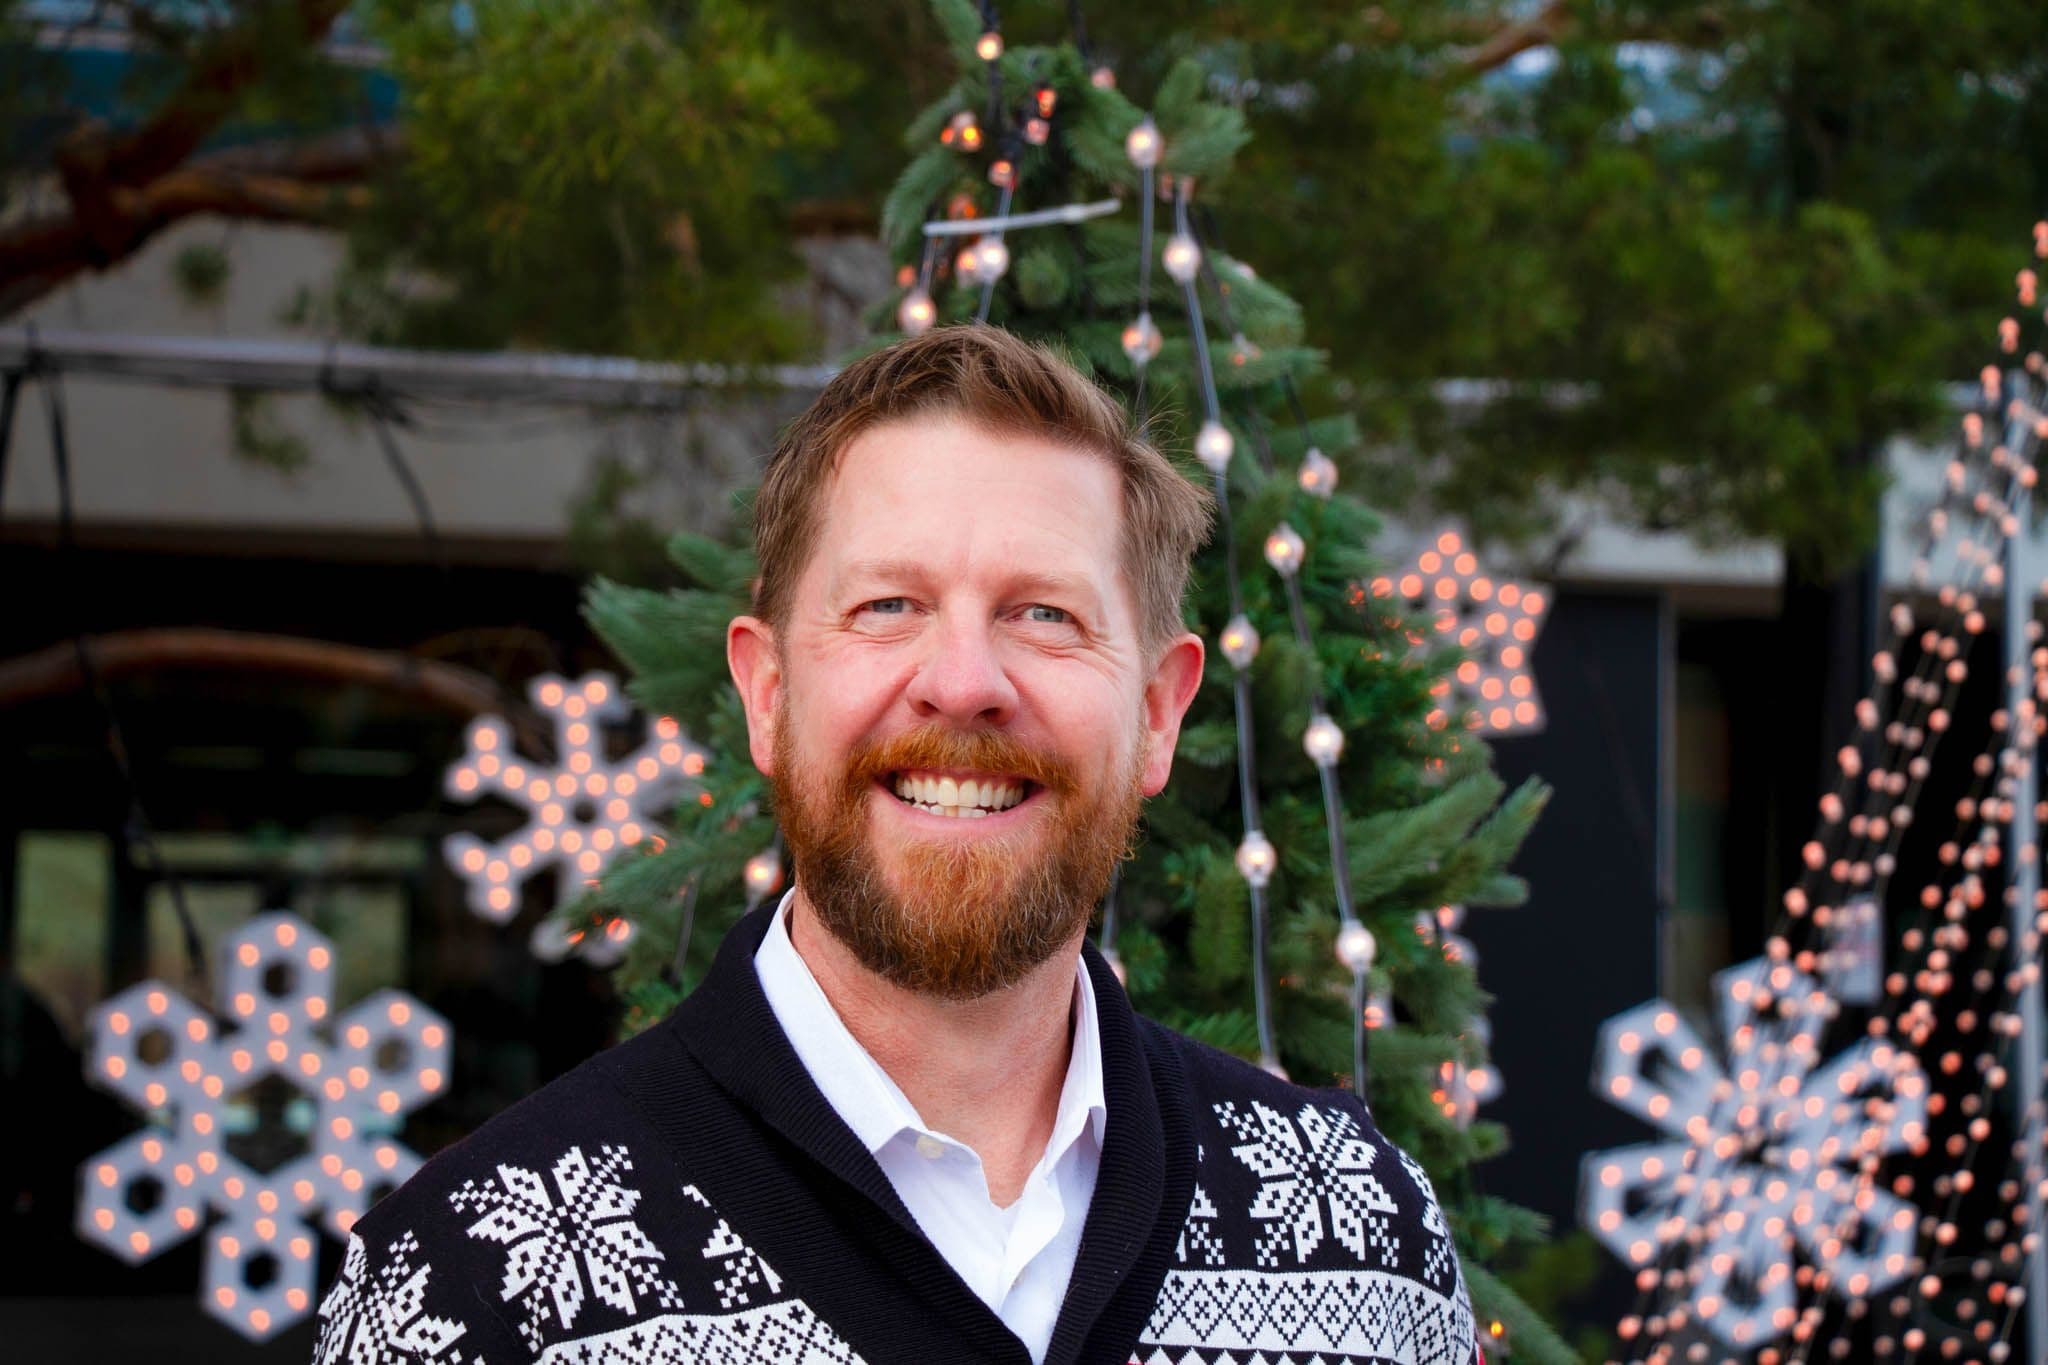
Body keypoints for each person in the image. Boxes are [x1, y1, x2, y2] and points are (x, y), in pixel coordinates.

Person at [312, 326, 1478, 1365]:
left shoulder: (1363, 1235)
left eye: (1044, 615)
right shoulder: (469, 1287)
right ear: (766, 695)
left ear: (1160, 716)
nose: (964, 684)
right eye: (885, 608)